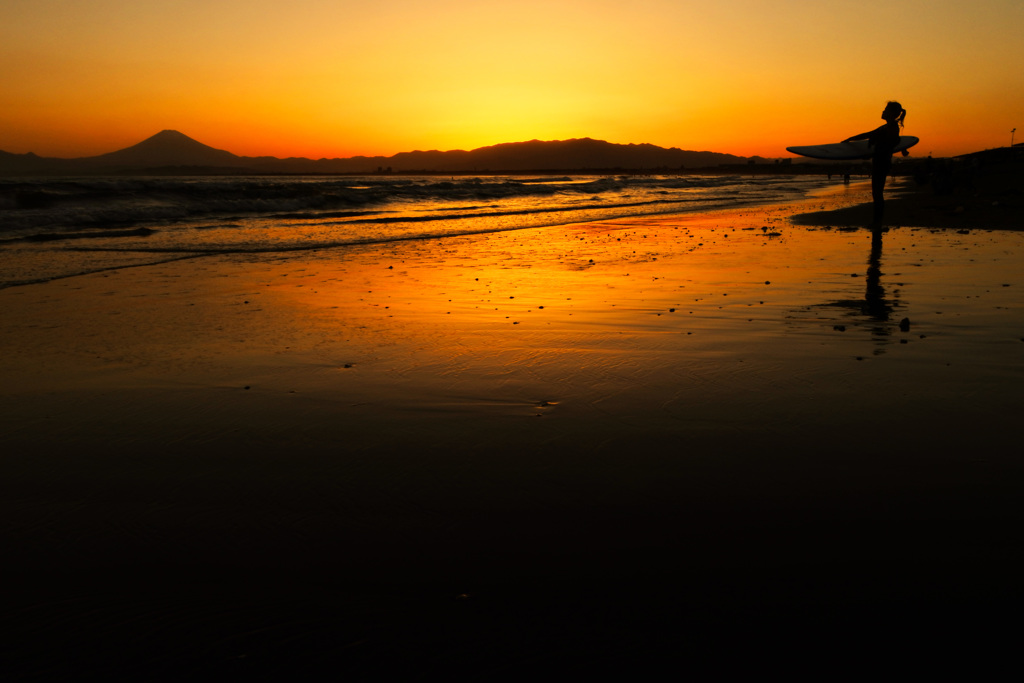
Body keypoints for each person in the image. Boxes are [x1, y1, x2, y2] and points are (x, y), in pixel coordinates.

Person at [844, 101, 908, 226]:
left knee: (878, 193)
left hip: (882, 162)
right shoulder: (886, 127)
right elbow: (869, 134)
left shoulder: (892, 128)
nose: (883, 111)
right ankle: (877, 221)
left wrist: (870, 154)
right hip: (879, 161)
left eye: (885, 109)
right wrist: (851, 138)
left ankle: (878, 222)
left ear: (891, 113)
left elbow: (889, 145)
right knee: (876, 193)